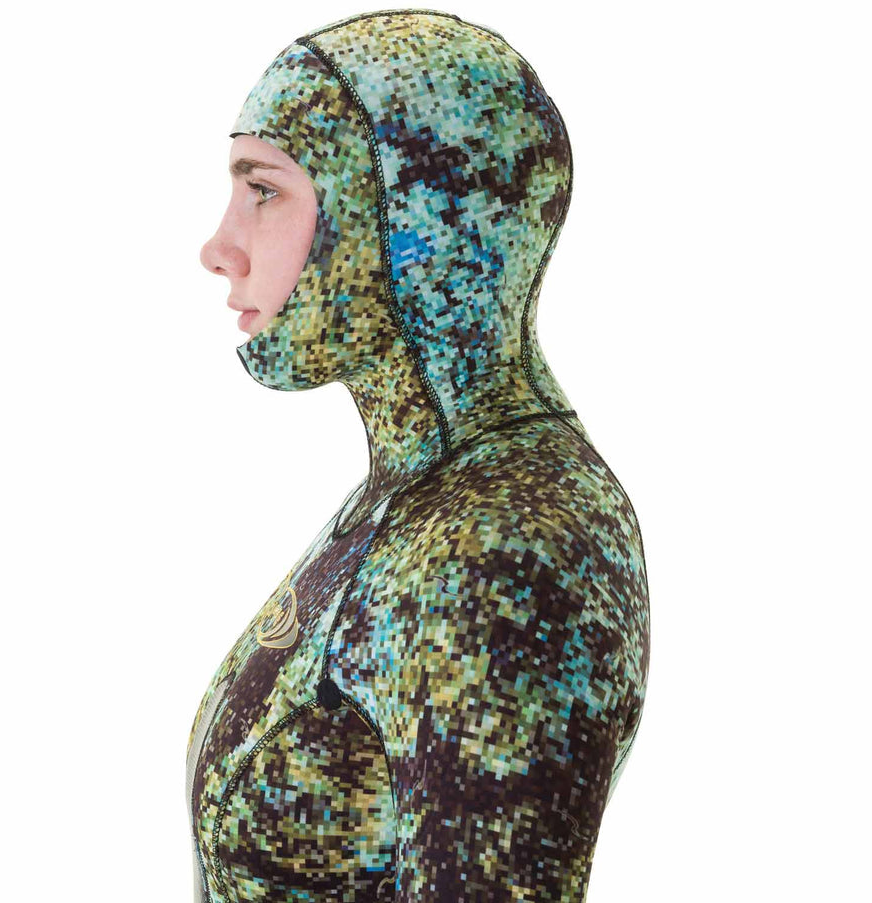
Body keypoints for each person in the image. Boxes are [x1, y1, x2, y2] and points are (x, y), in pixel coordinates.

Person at [190, 9, 649, 901]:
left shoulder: (506, 552)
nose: (219, 247)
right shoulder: (410, 499)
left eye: (265, 191)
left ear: (402, 217)